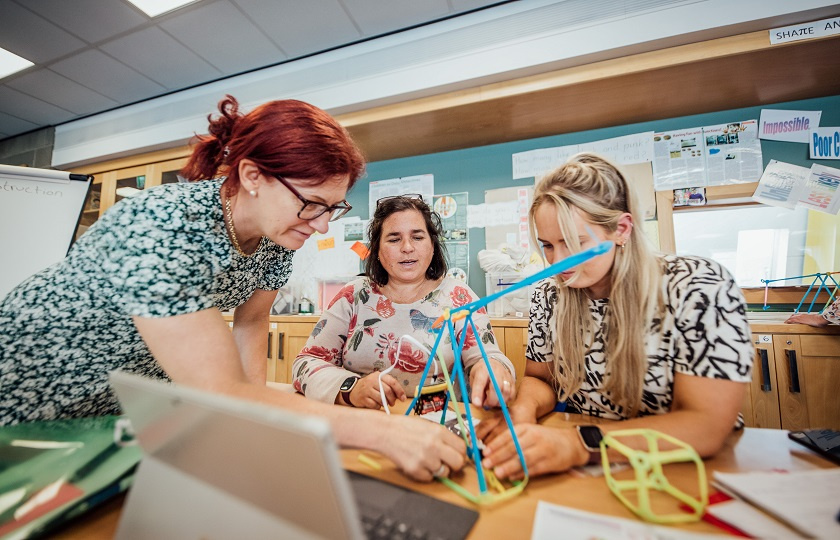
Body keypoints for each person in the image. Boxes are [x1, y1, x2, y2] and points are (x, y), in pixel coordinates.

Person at [0, 95, 465, 481]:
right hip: (31, 393)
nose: (322, 225)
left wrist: (259, 424)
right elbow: (221, 389)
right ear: (252, 177)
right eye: (312, 204)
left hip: (124, 403)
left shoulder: (277, 237)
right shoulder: (164, 224)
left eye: (334, 208)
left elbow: (252, 320)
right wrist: (382, 434)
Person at [476, 153, 753, 480]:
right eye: (547, 245)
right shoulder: (550, 294)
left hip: (684, 467)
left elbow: (705, 425)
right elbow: (541, 379)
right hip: (594, 466)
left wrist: (578, 444)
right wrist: (521, 415)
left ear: (621, 229)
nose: (558, 262)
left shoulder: (699, 287)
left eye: (574, 243)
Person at [293, 195, 515, 411]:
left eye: (418, 237)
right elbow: (306, 363)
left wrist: (493, 369)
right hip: (364, 422)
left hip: (438, 426)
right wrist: (351, 389)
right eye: (394, 239)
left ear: (433, 245)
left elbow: (489, 359)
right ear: (377, 250)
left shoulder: (459, 296)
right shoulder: (353, 296)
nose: (407, 247)